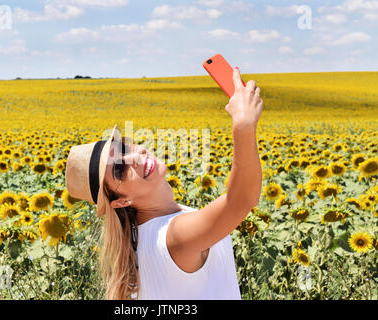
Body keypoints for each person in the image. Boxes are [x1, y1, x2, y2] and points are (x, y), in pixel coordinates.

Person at [65, 67, 263, 300]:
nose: (135, 158)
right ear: (121, 201)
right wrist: (243, 125)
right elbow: (241, 199)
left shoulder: (141, 237)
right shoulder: (174, 236)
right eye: (119, 169)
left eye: (124, 148)